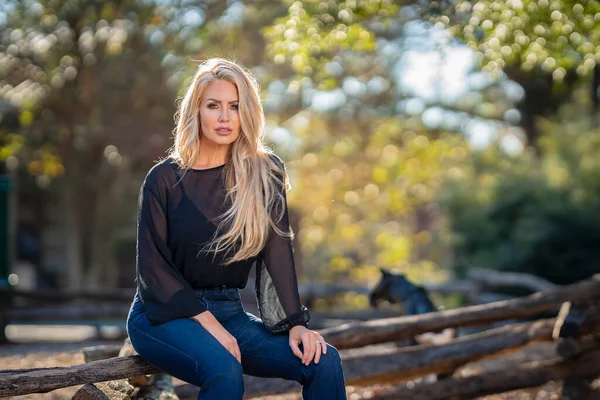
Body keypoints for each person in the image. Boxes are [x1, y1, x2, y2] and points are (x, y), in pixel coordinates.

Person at [126, 58, 347, 399]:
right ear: (196, 111)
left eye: (235, 106)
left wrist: (295, 324)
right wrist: (210, 325)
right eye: (213, 105)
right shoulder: (164, 179)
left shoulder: (265, 173)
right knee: (224, 369)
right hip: (162, 316)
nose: (225, 117)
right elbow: (153, 271)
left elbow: (277, 254)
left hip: (229, 312)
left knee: (323, 360)